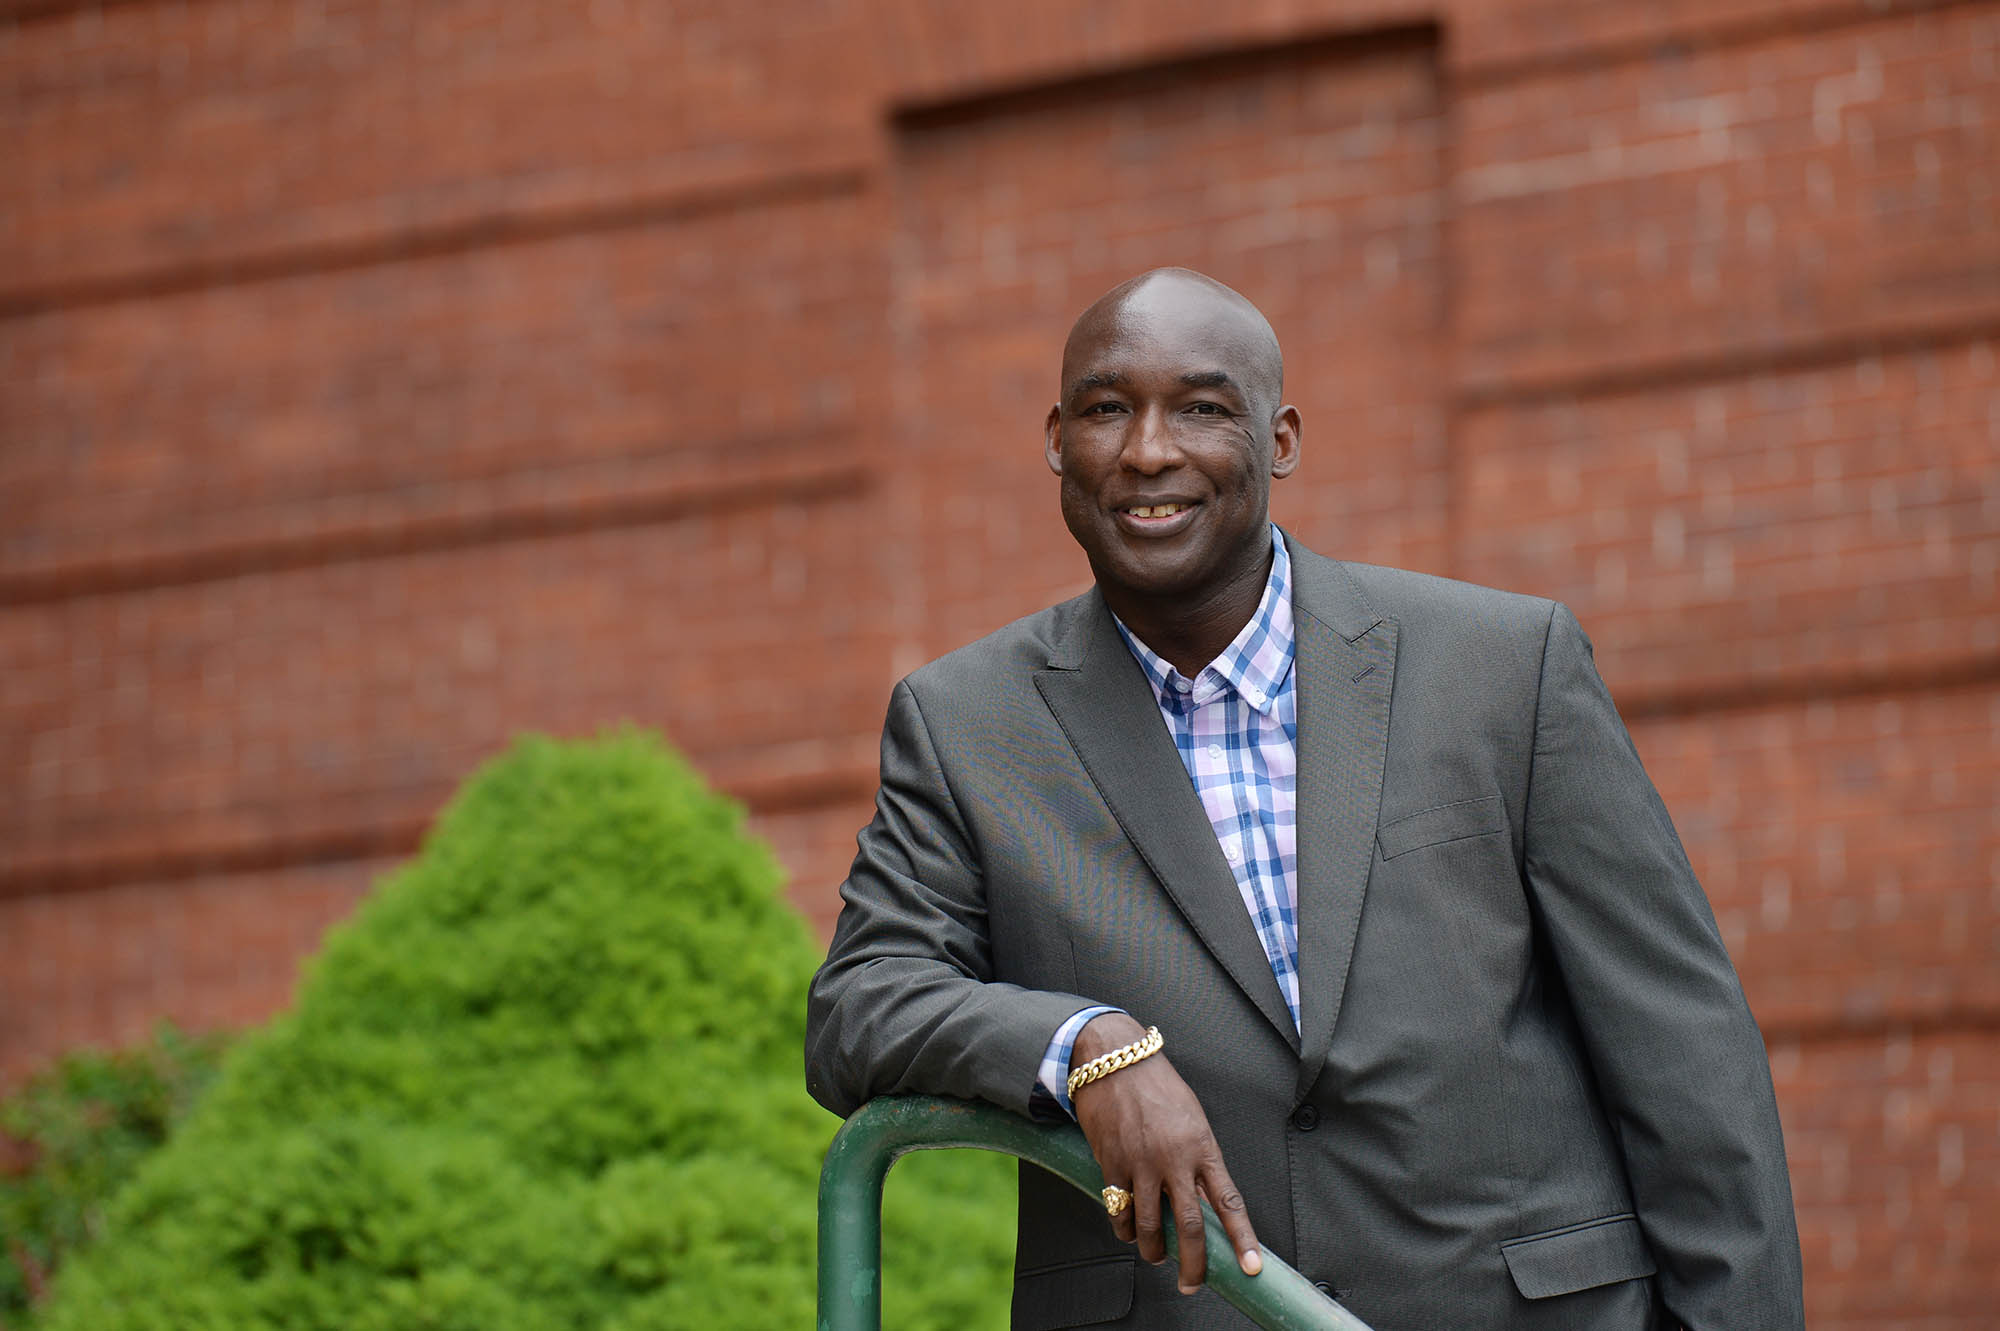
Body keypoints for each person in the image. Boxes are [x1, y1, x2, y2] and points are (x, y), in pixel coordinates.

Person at [805, 268, 1805, 1331]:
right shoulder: (966, 722)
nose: (1147, 449)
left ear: (1278, 440)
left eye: (1200, 406)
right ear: (1056, 440)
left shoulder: (1503, 667)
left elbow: (1684, 1057)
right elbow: (859, 1005)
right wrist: (1085, 1043)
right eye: (1106, 408)